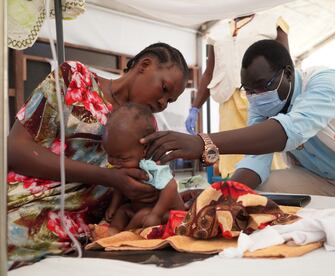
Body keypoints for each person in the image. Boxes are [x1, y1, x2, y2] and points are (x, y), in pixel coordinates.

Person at [142, 39, 335, 197]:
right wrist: (216, 195)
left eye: (262, 85)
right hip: (318, 180)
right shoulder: (261, 104)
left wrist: (203, 143)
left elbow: (289, 130)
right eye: (248, 89)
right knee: (254, 192)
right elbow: (255, 162)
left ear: (288, 72)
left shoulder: (326, 81)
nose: (255, 96)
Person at [7, 42, 189, 268]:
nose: (163, 103)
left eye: (170, 101)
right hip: (24, 208)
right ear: (145, 65)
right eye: (164, 89)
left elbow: (149, 191)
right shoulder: (74, 80)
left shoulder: (149, 129)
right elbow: (14, 149)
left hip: (84, 234)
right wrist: (107, 177)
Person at [185, 14, 289, 178]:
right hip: (228, 102)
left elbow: (286, 64)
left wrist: (288, 101)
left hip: (262, 99)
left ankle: (273, 195)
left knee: (266, 150)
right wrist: (195, 107)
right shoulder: (217, 30)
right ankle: (237, 196)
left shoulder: (272, 20)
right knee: (231, 153)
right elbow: (209, 72)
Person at [100, 103, 184, 237]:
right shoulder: (125, 164)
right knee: (122, 211)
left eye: (121, 158)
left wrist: (156, 214)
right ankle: (113, 231)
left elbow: (171, 186)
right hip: (138, 209)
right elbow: (119, 187)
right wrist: (113, 206)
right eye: (110, 155)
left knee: (142, 215)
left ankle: (127, 235)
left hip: (165, 212)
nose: (114, 162)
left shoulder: (152, 166)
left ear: (145, 150)